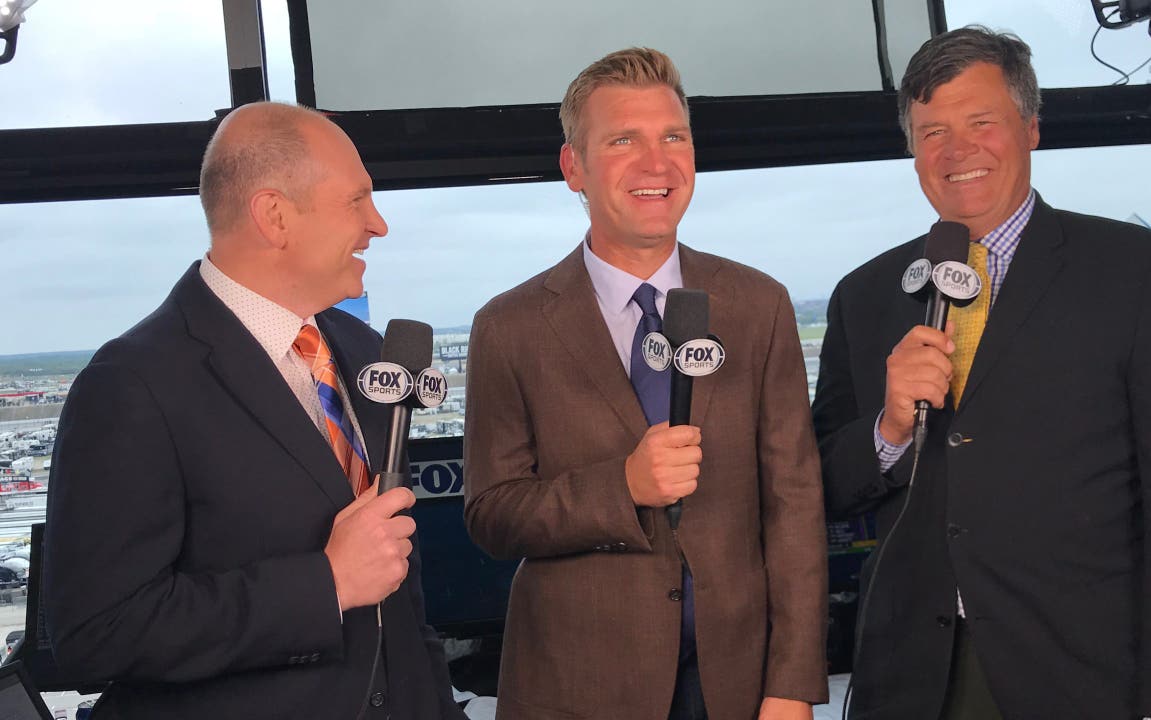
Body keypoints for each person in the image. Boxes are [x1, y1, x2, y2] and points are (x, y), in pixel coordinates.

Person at [812, 26, 1151, 720]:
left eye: (982, 123)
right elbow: (823, 483)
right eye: (933, 132)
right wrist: (888, 429)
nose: (957, 151)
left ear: (1031, 127)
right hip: (910, 682)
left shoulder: (1136, 272)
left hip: (1087, 677)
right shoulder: (864, 296)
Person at [43, 102, 464, 720]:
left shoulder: (363, 351)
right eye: (357, 200)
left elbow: (399, 597)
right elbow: (97, 634)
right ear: (274, 216)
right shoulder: (131, 384)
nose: (378, 224)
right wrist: (326, 584)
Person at [463, 47, 828, 720]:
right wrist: (621, 487)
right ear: (574, 167)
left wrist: (793, 683)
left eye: (673, 138)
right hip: (576, 689)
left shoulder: (759, 305)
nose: (657, 164)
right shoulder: (508, 326)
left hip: (740, 684)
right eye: (623, 141)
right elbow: (491, 514)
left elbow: (795, 506)